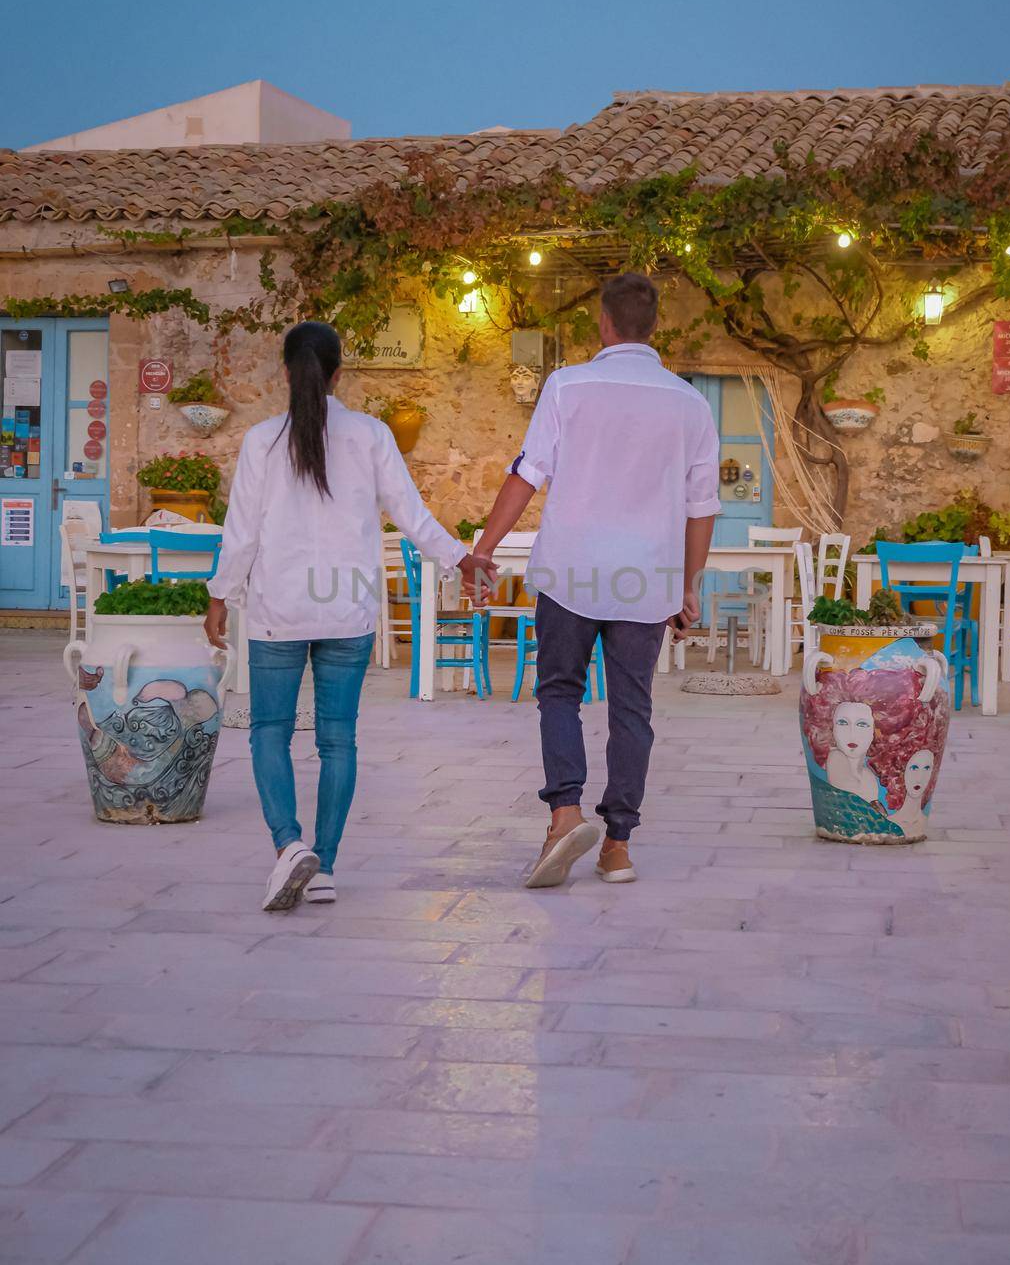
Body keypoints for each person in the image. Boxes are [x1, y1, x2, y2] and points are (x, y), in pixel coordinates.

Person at [204, 321, 489, 913]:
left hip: (278, 612)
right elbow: (410, 515)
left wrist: (218, 596)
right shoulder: (372, 435)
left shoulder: (261, 441)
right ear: (339, 375)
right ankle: (325, 865)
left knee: (270, 732)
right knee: (338, 740)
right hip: (349, 611)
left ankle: (289, 847)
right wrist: (461, 557)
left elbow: (242, 535)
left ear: (285, 373)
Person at [468, 272, 720, 889]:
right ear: (653, 327)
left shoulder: (568, 385)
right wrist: (687, 586)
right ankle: (617, 848)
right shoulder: (690, 403)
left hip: (571, 571)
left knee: (560, 692)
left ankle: (564, 815)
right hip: (647, 577)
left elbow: (527, 474)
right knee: (633, 708)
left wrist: (484, 549)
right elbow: (702, 504)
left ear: (603, 324)